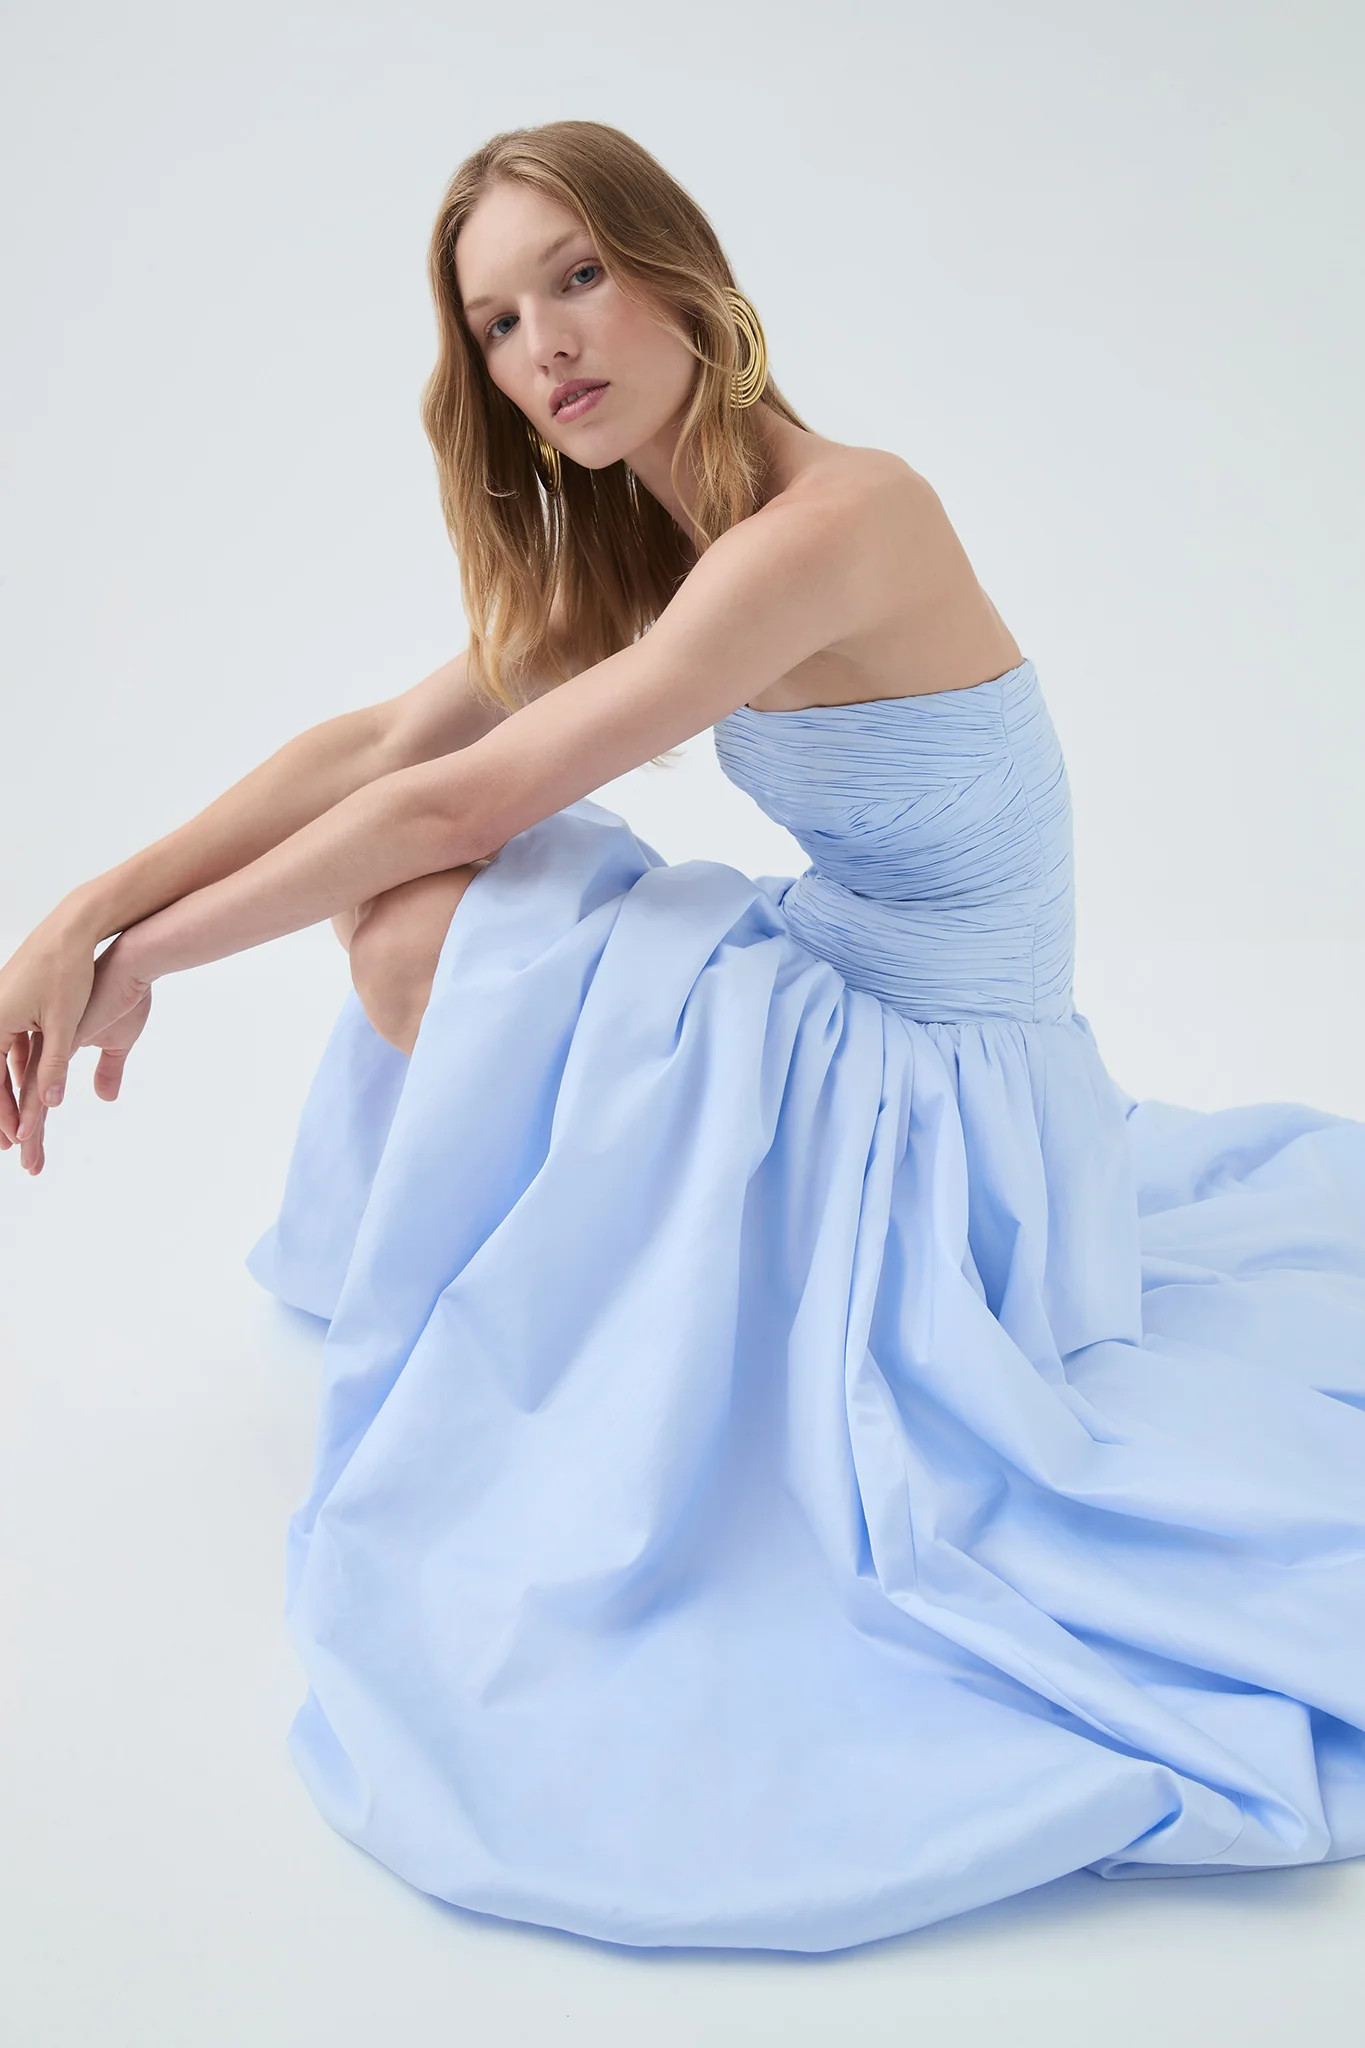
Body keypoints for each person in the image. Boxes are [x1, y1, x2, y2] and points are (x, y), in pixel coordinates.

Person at [3, 119, 1363, 1955]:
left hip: (940, 1085)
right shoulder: (663, 530)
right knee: (432, 893)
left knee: (425, 906)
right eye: (496, 323)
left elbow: (453, 806)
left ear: (684, 275)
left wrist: (144, 964)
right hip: (867, 993)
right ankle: (602, 1270)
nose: (544, 346)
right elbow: (383, 746)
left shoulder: (841, 520)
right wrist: (81, 914)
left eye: (577, 277)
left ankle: (608, 1285)